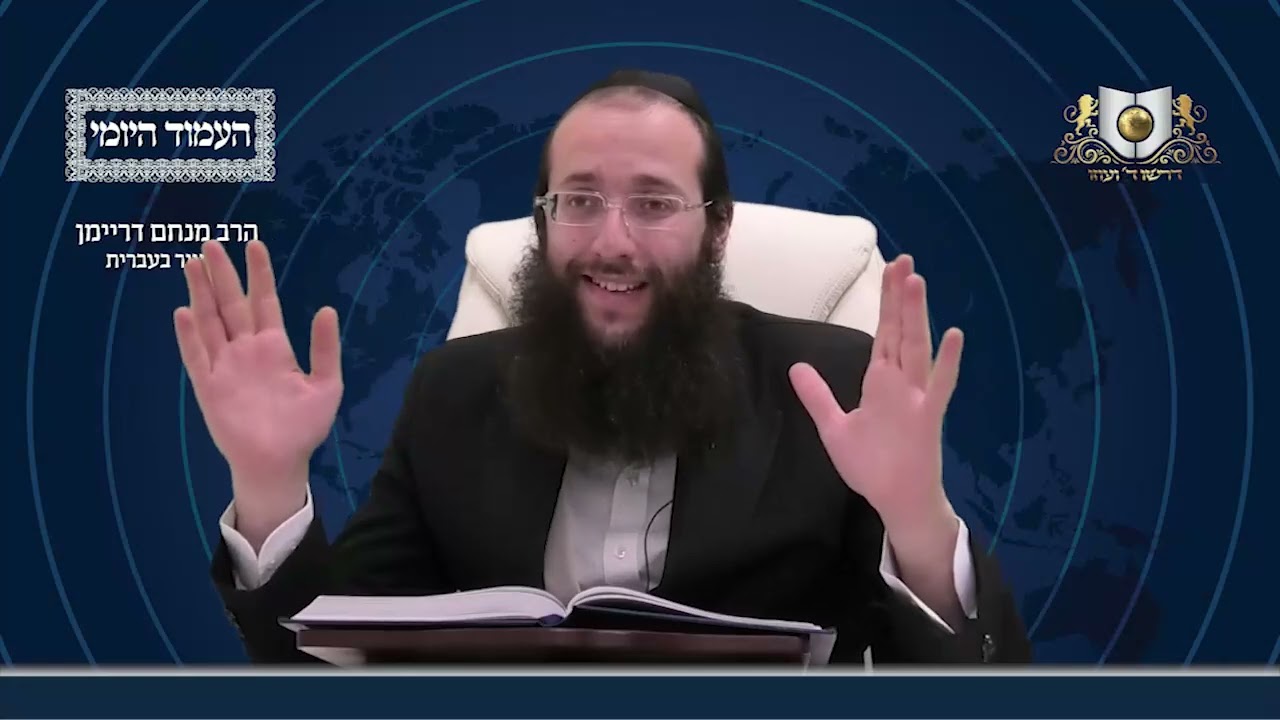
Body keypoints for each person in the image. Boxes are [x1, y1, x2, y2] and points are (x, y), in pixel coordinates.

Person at [174, 69, 1031, 664]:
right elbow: (325, 664)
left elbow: (972, 684)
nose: (612, 241)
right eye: (579, 200)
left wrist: (917, 517)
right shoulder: (453, 393)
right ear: (543, 223)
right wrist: (269, 484)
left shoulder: (832, 389)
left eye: (654, 202)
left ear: (717, 230)